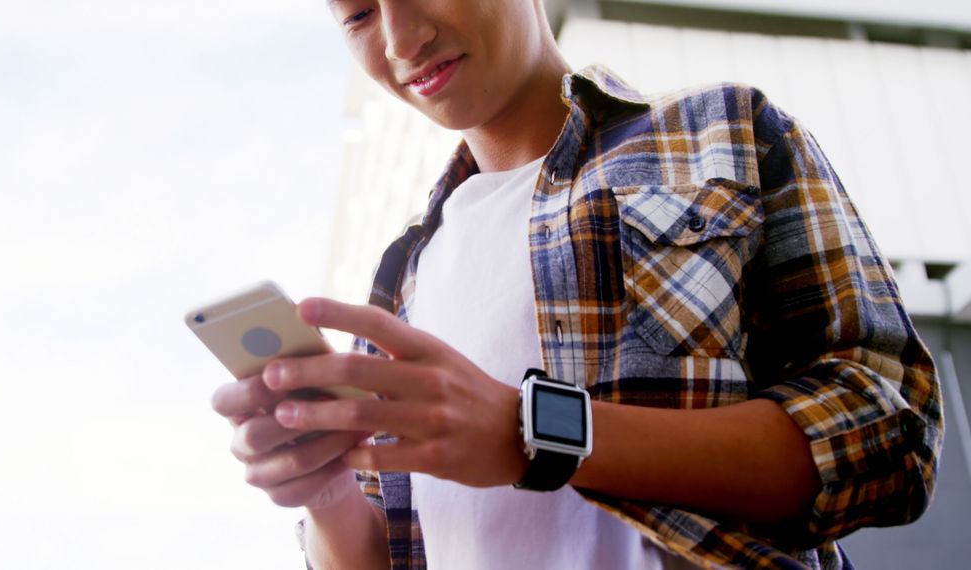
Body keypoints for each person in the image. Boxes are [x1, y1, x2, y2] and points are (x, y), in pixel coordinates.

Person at [210, 1, 944, 568]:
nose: (401, 41)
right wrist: (326, 489)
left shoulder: (723, 133)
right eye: (359, 15)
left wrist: (534, 433)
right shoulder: (400, 278)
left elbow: (889, 433)